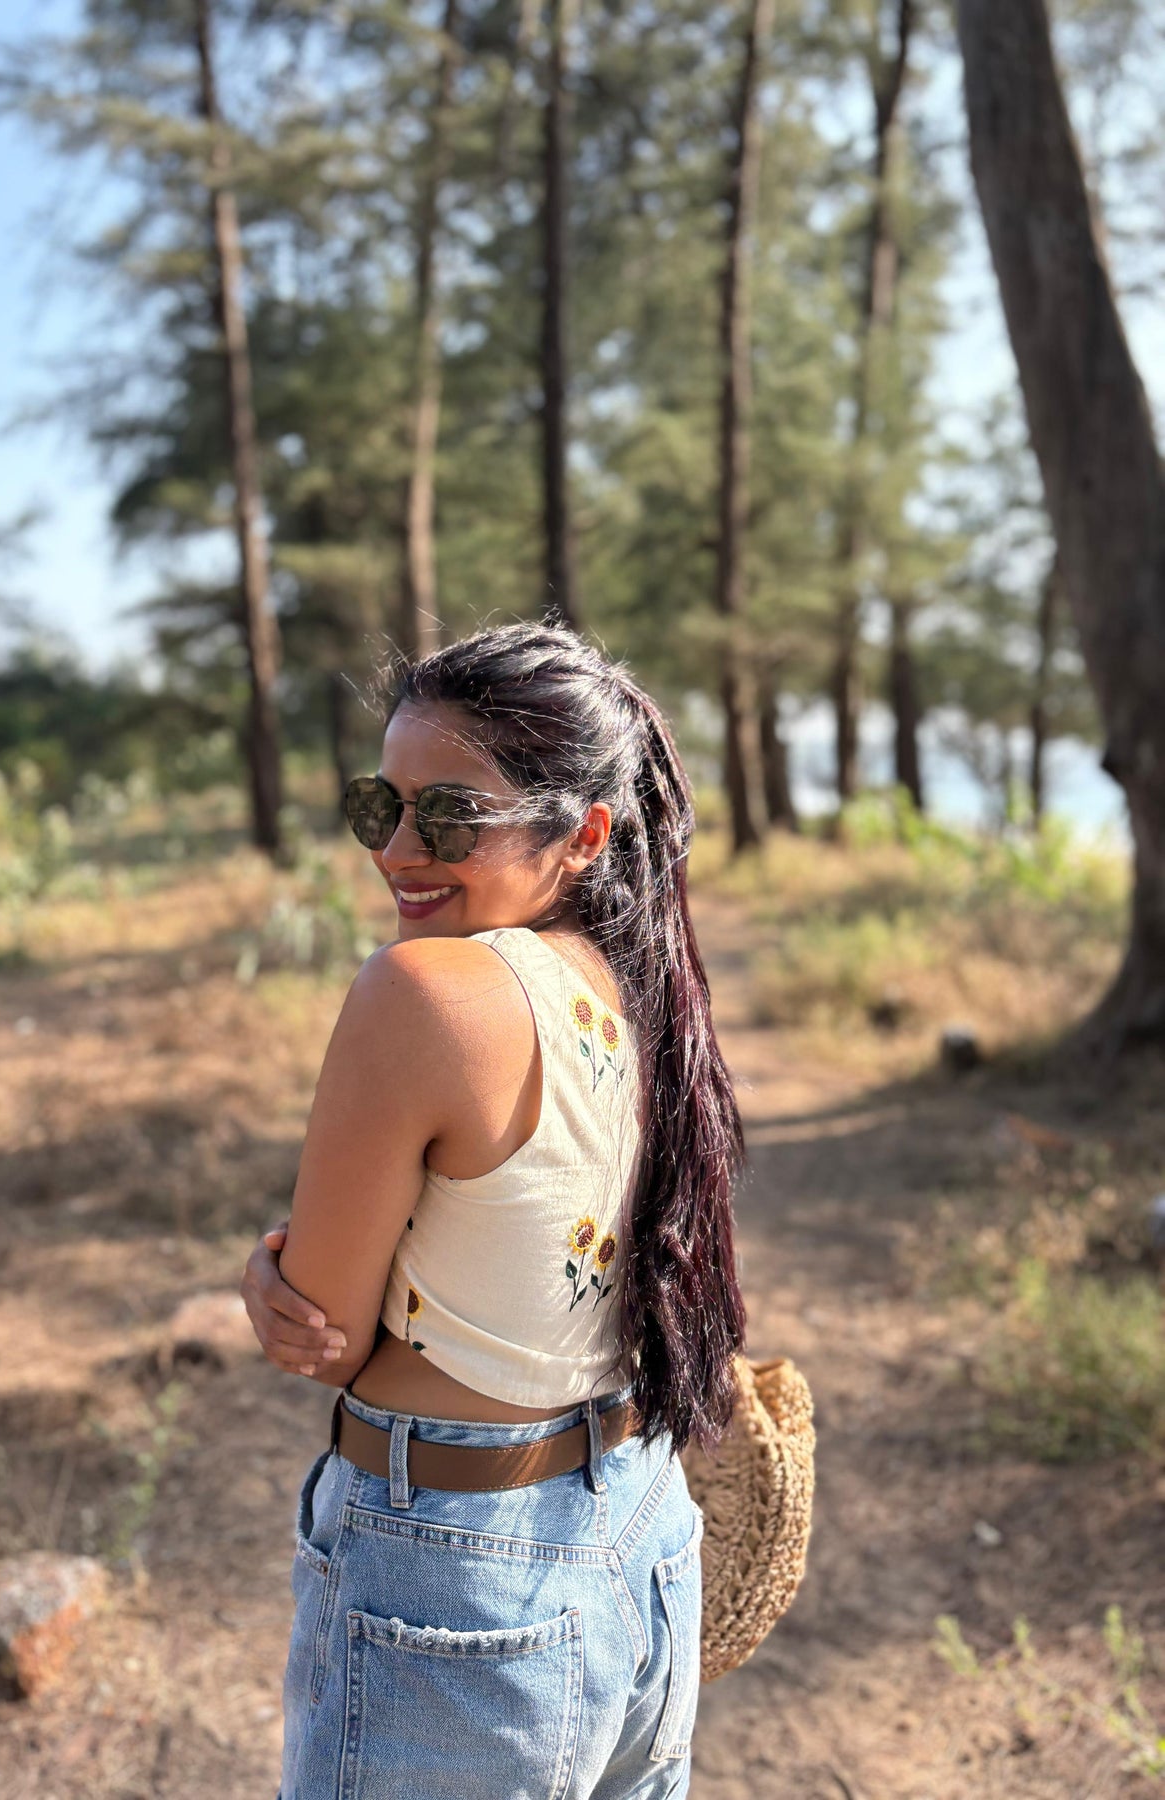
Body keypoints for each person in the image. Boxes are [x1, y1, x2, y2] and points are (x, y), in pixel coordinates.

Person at [241, 620, 747, 1799]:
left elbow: (324, 1335)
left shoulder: (423, 991)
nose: (398, 849)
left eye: (450, 815)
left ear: (584, 836)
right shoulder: (636, 981)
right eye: (381, 806)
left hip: (456, 1575)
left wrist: (267, 1275)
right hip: (640, 1530)